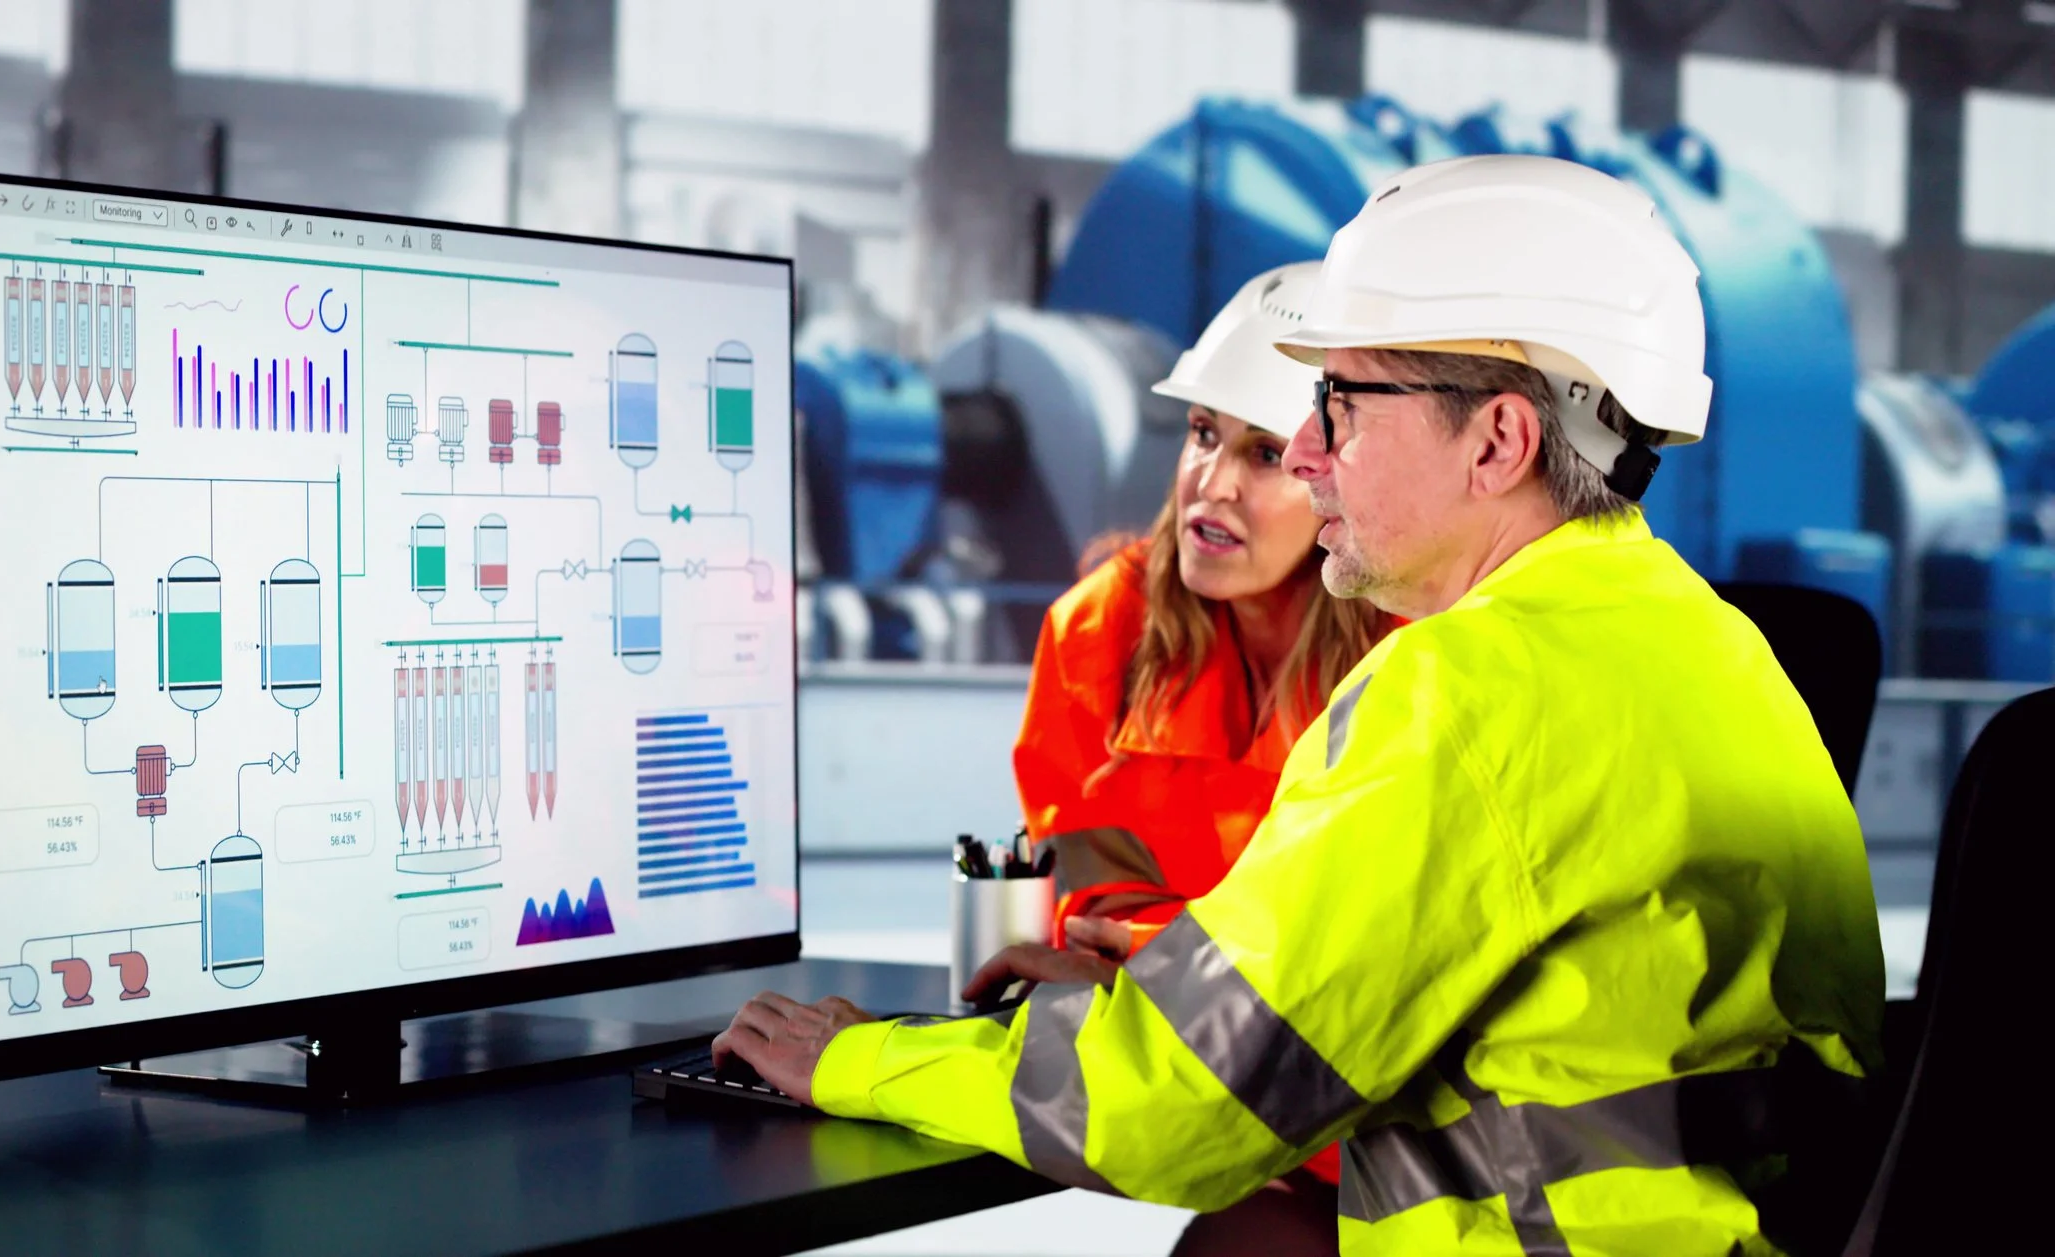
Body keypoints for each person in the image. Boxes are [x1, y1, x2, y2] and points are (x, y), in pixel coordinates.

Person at [713, 154, 1885, 1255]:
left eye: (1340, 406)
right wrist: (1171, 999)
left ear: (1499, 439)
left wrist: (859, 1061)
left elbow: (1172, 1115)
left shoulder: (1464, 686)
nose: (1311, 456)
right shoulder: (1711, 643)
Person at [1010, 261, 1395, 1240]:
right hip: (1223, 1095)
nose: (1208, 485)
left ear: (1340, 474)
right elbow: (1087, 910)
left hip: (1387, 1128)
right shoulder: (1099, 633)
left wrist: (1169, 967)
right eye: (1199, 434)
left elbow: (1373, 976)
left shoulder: (1415, 658)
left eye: (1263, 453)